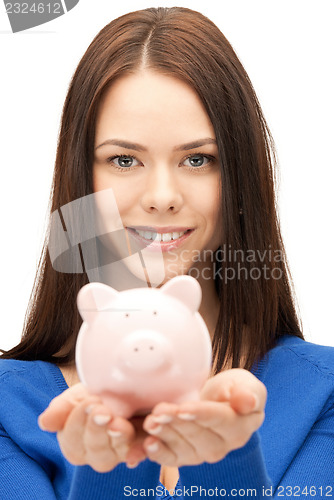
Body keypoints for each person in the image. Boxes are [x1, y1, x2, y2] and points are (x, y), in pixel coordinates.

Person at [1, 6, 333, 499]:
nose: (162, 195)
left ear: (241, 179)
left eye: (198, 159)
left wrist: (223, 461)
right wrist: (112, 467)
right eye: (124, 159)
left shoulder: (321, 394)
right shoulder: (10, 407)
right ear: (80, 180)